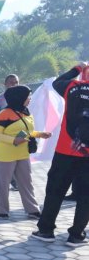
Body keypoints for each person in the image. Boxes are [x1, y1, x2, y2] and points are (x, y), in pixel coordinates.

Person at [33, 62, 89, 246]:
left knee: (55, 190)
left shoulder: (73, 87)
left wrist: (77, 68)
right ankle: (76, 235)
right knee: (86, 196)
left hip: (66, 151)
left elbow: (58, 82)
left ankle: (45, 230)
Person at [0, 85, 50, 219]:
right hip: (5, 155)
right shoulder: (3, 114)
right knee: (3, 184)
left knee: (26, 182)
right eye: (27, 96)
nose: (29, 99)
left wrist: (40, 134)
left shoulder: (26, 112)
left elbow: (27, 132)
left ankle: (32, 210)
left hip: (23, 154)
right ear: (19, 97)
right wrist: (13, 140)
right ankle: (3, 210)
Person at [0, 74, 20, 191]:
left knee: (16, 158)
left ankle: (15, 182)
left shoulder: (22, 99)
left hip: (17, 134)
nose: (13, 84)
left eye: (16, 82)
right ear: (5, 84)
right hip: (2, 134)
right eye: (11, 82)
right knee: (0, 158)